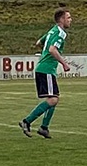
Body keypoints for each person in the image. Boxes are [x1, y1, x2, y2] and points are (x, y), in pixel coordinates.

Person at [19, 8, 72, 139]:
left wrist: (44, 53)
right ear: (61, 19)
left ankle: (44, 128)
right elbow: (52, 49)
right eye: (68, 18)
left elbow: (39, 42)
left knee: (54, 98)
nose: (70, 20)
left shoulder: (52, 30)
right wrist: (64, 63)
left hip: (44, 69)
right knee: (53, 99)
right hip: (46, 69)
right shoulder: (60, 33)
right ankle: (27, 121)